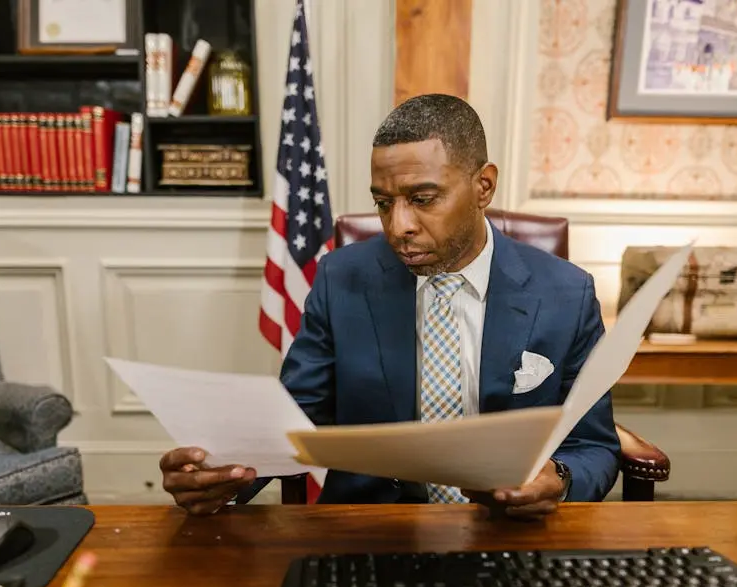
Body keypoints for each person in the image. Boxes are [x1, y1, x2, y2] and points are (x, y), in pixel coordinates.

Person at [160, 94, 620, 518]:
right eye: (383, 203)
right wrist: (226, 474)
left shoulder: (566, 293)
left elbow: (594, 446)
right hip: (371, 527)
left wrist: (557, 481)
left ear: (483, 186)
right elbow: (297, 415)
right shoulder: (341, 278)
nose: (399, 226)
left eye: (423, 199)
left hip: (508, 531)